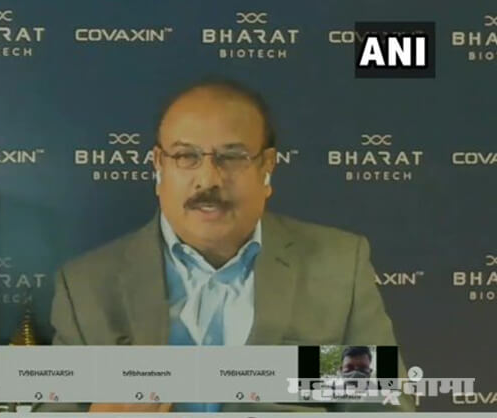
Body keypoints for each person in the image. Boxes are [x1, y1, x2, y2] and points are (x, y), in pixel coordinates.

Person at [37, 79, 414, 412]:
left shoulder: (337, 267)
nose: (208, 179)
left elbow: (382, 405)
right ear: (158, 166)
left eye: (232, 157)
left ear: (267, 166)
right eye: (186, 156)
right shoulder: (87, 287)